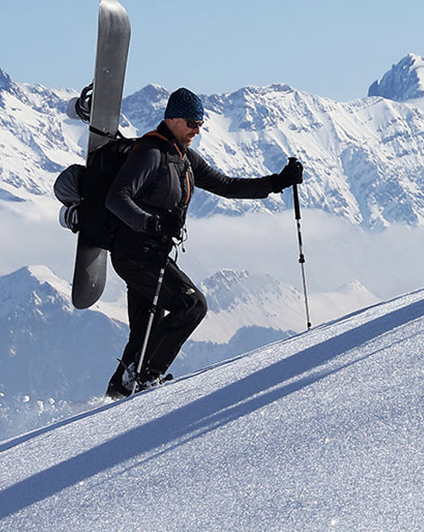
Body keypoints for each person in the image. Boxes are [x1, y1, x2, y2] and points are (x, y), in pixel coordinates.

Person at [101, 88, 303, 397]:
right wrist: (151, 222)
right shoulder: (150, 152)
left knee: (146, 329)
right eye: (193, 123)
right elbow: (116, 198)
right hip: (135, 253)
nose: (198, 130)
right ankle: (145, 377)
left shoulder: (184, 157)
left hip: (152, 253)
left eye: (201, 123)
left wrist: (277, 182)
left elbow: (225, 185)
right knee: (192, 305)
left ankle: (118, 391)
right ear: (173, 119)